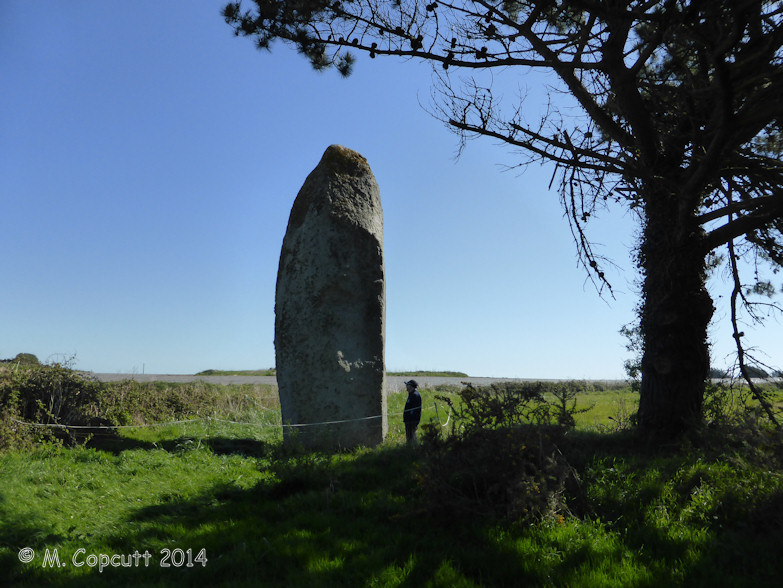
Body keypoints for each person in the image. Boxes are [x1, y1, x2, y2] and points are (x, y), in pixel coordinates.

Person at [403, 379, 422, 444]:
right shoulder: (411, 394)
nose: (406, 387)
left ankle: (413, 449)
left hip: (412, 420)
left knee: (412, 436)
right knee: (409, 436)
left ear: (411, 386)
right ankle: (410, 448)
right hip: (409, 420)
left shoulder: (415, 395)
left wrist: (409, 418)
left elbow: (415, 409)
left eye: (407, 385)